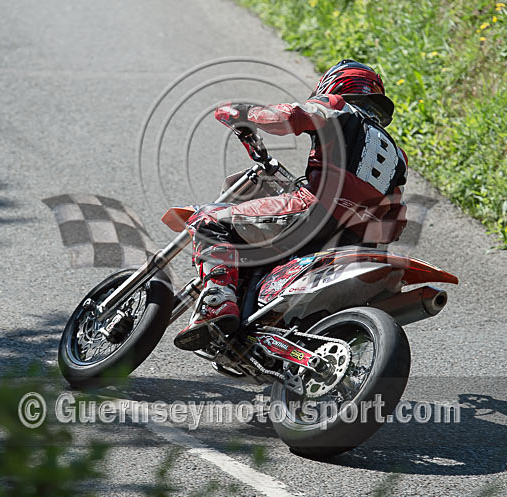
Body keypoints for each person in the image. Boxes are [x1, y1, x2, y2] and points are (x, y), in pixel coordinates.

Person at [174, 59, 409, 351]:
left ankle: (217, 302)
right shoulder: (398, 155)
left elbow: (291, 116)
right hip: (354, 239)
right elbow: (395, 222)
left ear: (337, 84)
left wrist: (244, 113)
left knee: (210, 221)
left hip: (313, 209)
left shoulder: (339, 107)